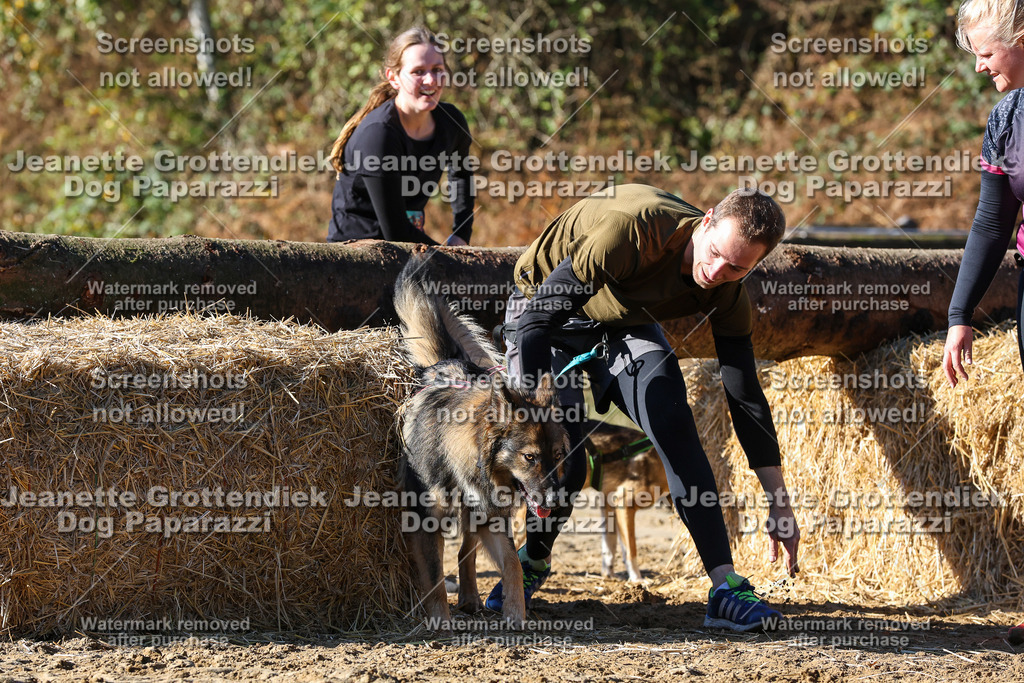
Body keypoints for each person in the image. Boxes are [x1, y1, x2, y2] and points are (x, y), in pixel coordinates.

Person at [487, 183, 800, 632]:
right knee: (566, 459)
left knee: (674, 423)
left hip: (622, 319)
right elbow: (538, 322)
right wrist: (540, 419)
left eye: (736, 268)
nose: (716, 272)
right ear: (706, 220)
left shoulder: (729, 290)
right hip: (544, 309)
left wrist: (779, 500)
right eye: (714, 254)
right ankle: (532, 559)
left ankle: (725, 588)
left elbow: (745, 393)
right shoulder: (633, 231)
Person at [944, 0, 1024, 646]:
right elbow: (992, 223)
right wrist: (958, 314)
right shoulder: (1005, 119)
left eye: (985, 51)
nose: (978, 66)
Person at [327, 27, 474, 245]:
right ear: (394, 78)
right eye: (418, 72)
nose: (431, 80)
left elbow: (461, 175)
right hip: (354, 257)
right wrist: (450, 260)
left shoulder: (451, 122)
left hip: (408, 249)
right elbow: (395, 230)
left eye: (437, 69)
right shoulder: (378, 135)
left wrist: (461, 233)